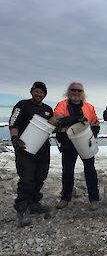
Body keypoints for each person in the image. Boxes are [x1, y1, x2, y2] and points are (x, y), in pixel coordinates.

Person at [9, 81, 53, 227]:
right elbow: (13, 123)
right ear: (32, 92)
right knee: (27, 179)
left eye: (41, 92)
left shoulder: (48, 109)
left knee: (40, 177)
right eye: (37, 91)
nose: (39, 94)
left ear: (44, 94)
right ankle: (22, 208)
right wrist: (15, 138)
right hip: (25, 148)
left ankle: (33, 203)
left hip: (43, 149)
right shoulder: (22, 105)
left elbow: (52, 125)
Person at [50, 82, 100, 211]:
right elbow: (57, 121)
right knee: (67, 170)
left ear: (82, 92)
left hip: (85, 142)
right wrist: (76, 119)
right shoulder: (62, 105)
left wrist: (92, 135)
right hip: (68, 142)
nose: (76, 93)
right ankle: (65, 198)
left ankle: (94, 198)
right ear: (68, 91)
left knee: (90, 170)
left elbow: (95, 123)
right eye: (73, 90)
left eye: (79, 90)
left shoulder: (89, 107)